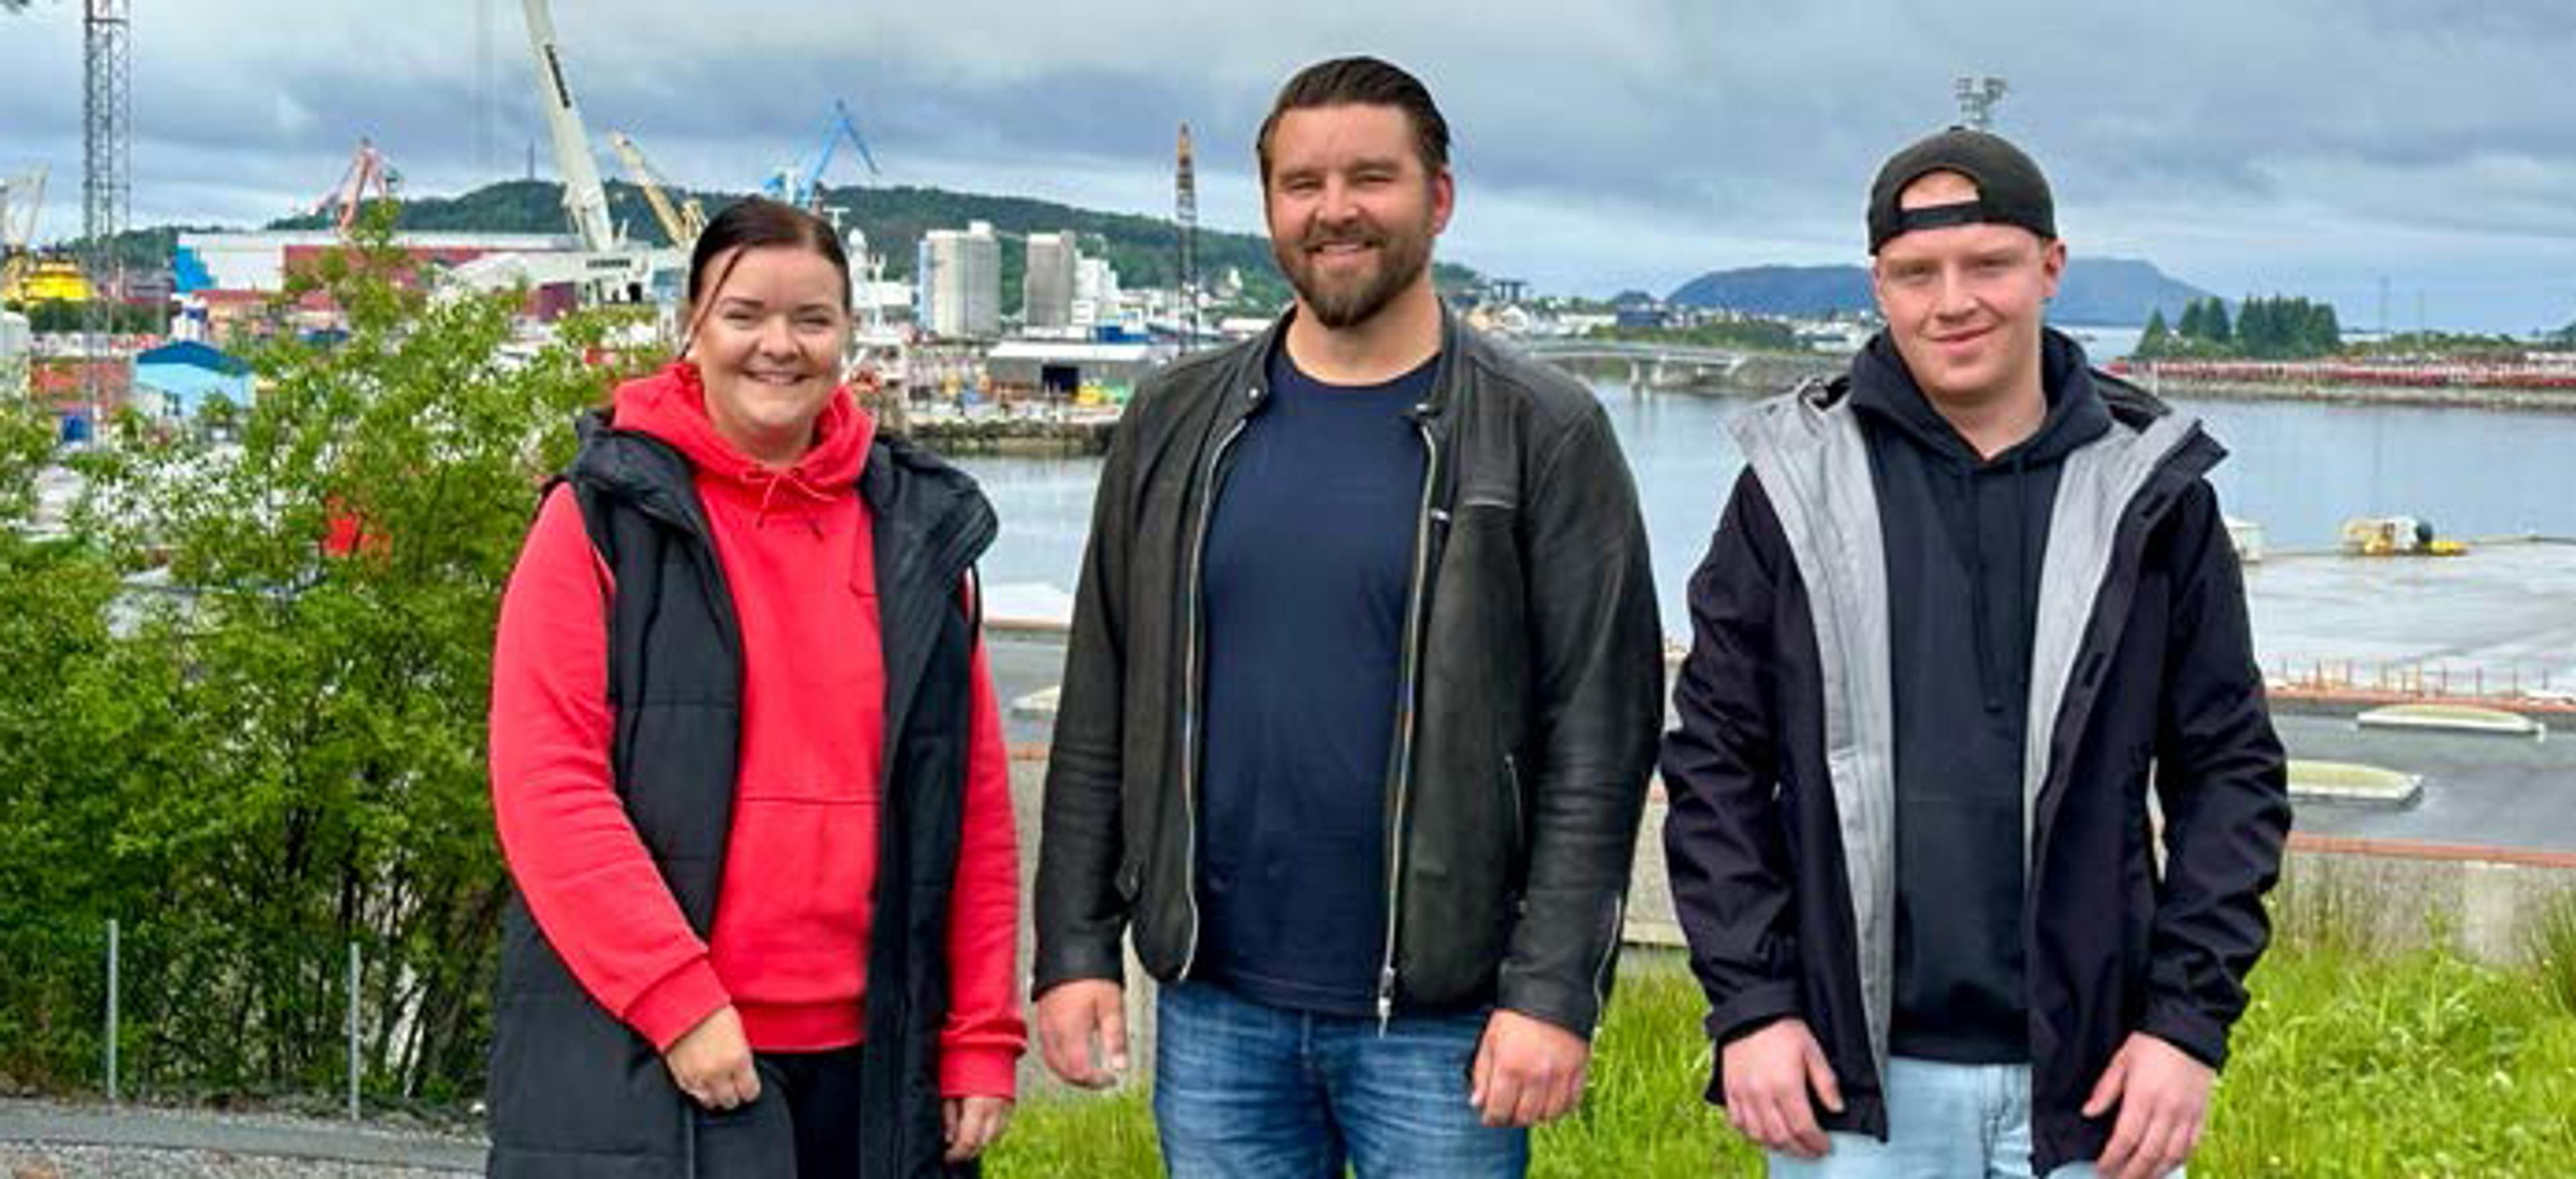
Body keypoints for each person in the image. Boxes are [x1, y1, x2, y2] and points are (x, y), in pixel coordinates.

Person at [1030, 55, 1664, 1178]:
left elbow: (1599, 743)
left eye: (1371, 177)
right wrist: (1076, 946)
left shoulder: (1543, 433)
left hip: (1446, 1019)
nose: (1335, 211)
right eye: (1301, 184)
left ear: (1440, 197)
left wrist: (1555, 988)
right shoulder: (1178, 420)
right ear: (1270, 206)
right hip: (1216, 1005)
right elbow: (1102, 702)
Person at [1660, 127, 2292, 1179]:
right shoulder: (1789, 485)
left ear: (2051, 266)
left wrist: (2186, 1025)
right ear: (1879, 286)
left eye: (1988, 264)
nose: (1953, 301)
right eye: (1917, 273)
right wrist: (1754, 1004)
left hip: (2098, 1089)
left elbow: (2230, 774)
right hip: (1853, 1096)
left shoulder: (2156, 496)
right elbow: (1715, 762)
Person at [484, 197, 1022, 1177]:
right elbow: (547, 789)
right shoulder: (598, 523)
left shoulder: (918, 531)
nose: (779, 346)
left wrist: (981, 1028)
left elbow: (972, 801)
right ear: (692, 326)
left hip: (876, 1060)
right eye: (745, 315)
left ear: (850, 335)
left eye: (811, 319)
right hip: (656, 1049)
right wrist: (676, 996)